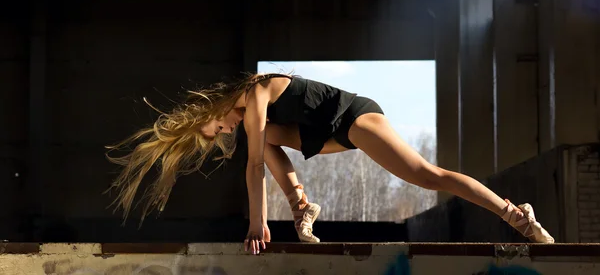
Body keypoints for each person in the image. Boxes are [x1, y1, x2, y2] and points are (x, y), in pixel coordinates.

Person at [105, 72, 554, 255]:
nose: (224, 132)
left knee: (426, 176)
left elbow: (255, 169)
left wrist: (258, 224)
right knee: (262, 146)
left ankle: (516, 215)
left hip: (352, 116)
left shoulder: (255, 95)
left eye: (217, 128)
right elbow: (263, 157)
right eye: (220, 135)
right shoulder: (251, 121)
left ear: (215, 111)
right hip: (327, 132)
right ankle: (304, 207)